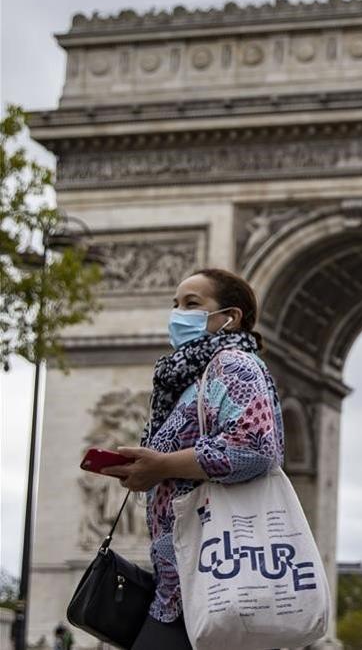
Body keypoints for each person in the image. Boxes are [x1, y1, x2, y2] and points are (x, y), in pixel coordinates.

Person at [101, 268, 285, 650]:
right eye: (175, 304)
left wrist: (163, 466)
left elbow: (255, 447)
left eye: (192, 304)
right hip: (178, 583)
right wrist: (142, 469)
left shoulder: (233, 365)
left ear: (229, 317)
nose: (177, 313)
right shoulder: (185, 380)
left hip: (220, 579)